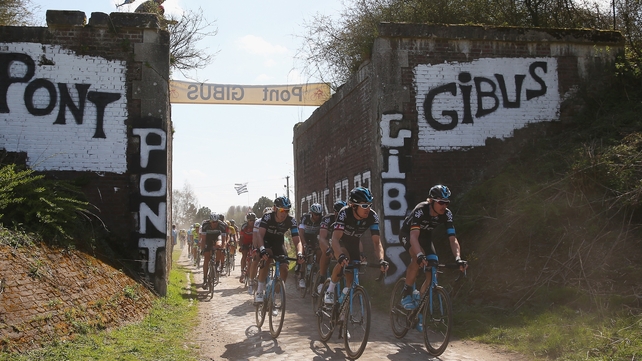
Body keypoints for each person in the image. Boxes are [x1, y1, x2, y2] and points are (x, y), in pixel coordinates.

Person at [398, 184, 467, 311]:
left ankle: (419, 298)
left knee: (433, 271)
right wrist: (419, 255)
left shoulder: (447, 214)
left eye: (447, 203)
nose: (444, 206)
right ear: (431, 201)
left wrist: (458, 258)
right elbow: (413, 237)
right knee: (416, 257)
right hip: (408, 235)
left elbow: (453, 239)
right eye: (441, 202)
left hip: (425, 238)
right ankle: (406, 293)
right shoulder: (421, 210)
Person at [325, 187, 389, 304]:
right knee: (344, 258)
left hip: (354, 242)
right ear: (353, 206)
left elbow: (377, 242)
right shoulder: (344, 213)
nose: (368, 209)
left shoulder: (372, 216)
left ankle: (342, 310)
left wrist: (381, 260)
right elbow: (335, 238)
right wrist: (340, 256)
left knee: (351, 280)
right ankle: (330, 289)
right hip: (340, 241)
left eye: (369, 205)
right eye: (364, 206)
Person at [254, 197, 304, 303]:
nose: (284, 213)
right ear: (275, 209)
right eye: (281, 210)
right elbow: (260, 235)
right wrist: (262, 249)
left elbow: (297, 240)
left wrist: (299, 253)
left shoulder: (291, 220)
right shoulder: (268, 217)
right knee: (267, 258)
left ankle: (275, 296)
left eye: (286, 210)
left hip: (278, 243)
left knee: (285, 268)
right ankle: (259, 290)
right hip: (266, 241)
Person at [315, 200, 346, 296]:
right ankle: (322, 278)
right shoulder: (328, 219)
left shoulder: (347, 218)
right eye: (339, 212)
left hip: (340, 241)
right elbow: (322, 237)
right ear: (335, 212)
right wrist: (327, 248)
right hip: (328, 240)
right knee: (325, 252)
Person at [295, 203, 323, 288]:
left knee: (319, 251)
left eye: (319, 214)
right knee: (303, 253)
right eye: (315, 214)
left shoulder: (321, 220)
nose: (317, 216)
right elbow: (301, 233)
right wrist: (304, 244)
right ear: (311, 213)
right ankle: (302, 276)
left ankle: (315, 271)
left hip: (314, 237)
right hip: (305, 236)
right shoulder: (305, 218)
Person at [200, 214, 228, 289]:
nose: (214, 224)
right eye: (213, 222)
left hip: (217, 237)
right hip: (208, 238)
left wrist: (223, 248)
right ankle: (205, 279)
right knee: (206, 258)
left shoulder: (221, 225)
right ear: (210, 222)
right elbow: (203, 239)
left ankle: (217, 265)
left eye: (216, 222)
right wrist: (203, 249)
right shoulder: (205, 225)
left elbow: (224, 240)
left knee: (219, 247)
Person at [238, 213, 256, 284]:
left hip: (253, 242)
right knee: (244, 255)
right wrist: (241, 246)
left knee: (254, 257)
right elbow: (241, 238)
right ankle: (242, 272)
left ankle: (252, 274)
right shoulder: (244, 226)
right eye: (250, 220)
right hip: (245, 242)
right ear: (247, 221)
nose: (252, 222)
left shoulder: (256, 225)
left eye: (253, 220)